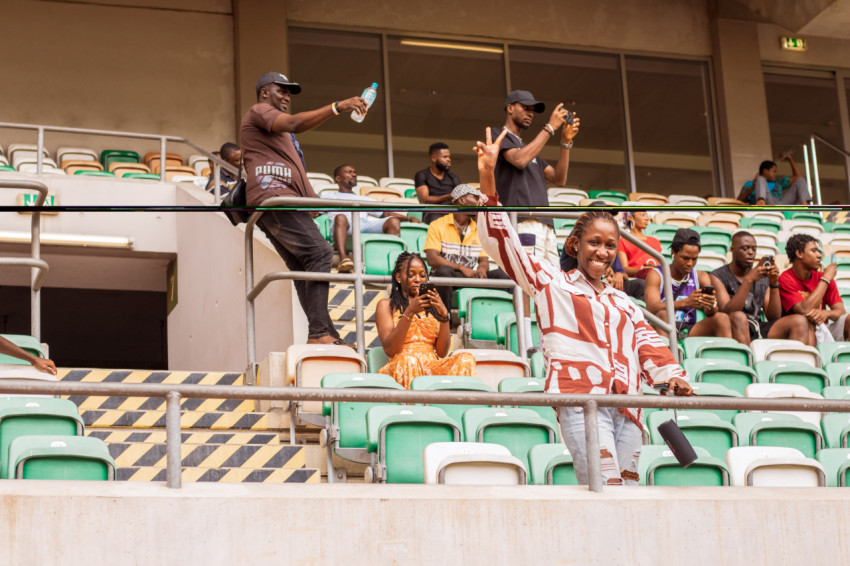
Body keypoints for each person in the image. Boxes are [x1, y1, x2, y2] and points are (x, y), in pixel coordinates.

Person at [475, 127, 691, 486]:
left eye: (610, 245)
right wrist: (487, 179)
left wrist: (674, 380)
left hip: (631, 412)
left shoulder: (622, 300)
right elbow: (504, 245)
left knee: (627, 494)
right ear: (575, 245)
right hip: (581, 404)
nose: (602, 252)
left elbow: (648, 344)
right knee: (605, 490)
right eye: (594, 242)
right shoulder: (551, 282)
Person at [241, 71, 367, 346]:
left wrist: (310, 200)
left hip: (285, 202)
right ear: (264, 92)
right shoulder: (260, 111)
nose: (286, 96)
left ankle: (326, 334)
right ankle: (319, 333)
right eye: (281, 90)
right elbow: (297, 122)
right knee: (321, 252)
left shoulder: (281, 134)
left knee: (304, 267)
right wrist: (337, 107)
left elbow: (294, 164)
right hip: (274, 200)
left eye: (289, 92)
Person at [492, 90, 580, 348]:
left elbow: (559, 178)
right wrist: (550, 128)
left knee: (551, 284)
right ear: (510, 108)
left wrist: (565, 142)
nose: (530, 113)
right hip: (522, 221)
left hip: (546, 225)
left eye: (534, 110)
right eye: (526, 107)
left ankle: (550, 342)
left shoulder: (534, 153)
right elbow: (518, 160)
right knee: (527, 281)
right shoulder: (501, 136)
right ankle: (527, 344)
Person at [375, 252, 476, 388]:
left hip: (431, 366)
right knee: (410, 362)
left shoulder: (433, 307)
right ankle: (413, 409)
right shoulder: (386, 305)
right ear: (398, 277)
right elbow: (390, 349)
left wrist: (444, 314)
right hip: (402, 364)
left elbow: (441, 352)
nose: (418, 279)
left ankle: (454, 407)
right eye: (411, 275)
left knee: (466, 358)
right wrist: (410, 311)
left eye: (422, 275)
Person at [710, 231, 809, 345]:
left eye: (754, 249)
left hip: (758, 326)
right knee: (739, 317)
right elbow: (726, 312)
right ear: (732, 250)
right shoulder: (718, 276)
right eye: (745, 248)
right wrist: (749, 280)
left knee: (799, 321)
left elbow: (774, 316)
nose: (751, 252)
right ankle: (747, 361)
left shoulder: (762, 278)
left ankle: (794, 362)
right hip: (735, 326)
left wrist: (773, 284)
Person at [423, 184, 510, 311]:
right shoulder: (437, 225)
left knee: (503, 276)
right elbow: (432, 259)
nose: (478, 202)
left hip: (469, 277)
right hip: (449, 277)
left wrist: (481, 269)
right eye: (475, 198)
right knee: (444, 272)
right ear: (462, 200)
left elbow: (483, 260)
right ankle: (444, 321)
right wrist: (461, 268)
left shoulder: (479, 228)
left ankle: (498, 322)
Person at [323, 163, 420, 273]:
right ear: (338, 178)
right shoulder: (329, 196)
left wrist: (408, 218)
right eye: (349, 172)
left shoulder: (363, 198)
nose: (354, 174)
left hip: (364, 226)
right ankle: (344, 260)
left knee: (393, 221)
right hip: (344, 227)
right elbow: (314, 212)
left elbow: (385, 213)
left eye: (354, 172)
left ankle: (392, 263)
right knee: (341, 216)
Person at [645, 228, 733, 339]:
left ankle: (724, 355)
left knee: (722, 318)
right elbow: (651, 308)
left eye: (694, 259)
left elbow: (710, 313)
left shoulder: (701, 276)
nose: (690, 264)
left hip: (688, 328)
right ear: (673, 253)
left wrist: (711, 304)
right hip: (660, 325)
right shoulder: (656, 274)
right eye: (685, 258)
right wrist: (685, 302)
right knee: (663, 314)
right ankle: (667, 355)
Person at [779, 234, 850, 345]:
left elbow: (841, 312)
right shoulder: (785, 279)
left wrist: (826, 313)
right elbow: (804, 310)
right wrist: (825, 279)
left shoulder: (823, 277)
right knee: (808, 323)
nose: (820, 255)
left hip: (823, 327)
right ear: (799, 253)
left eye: (819, 251)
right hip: (799, 331)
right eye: (814, 251)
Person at [737, 152, 811, 205]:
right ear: (765, 170)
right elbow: (739, 200)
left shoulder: (778, 182)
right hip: (767, 205)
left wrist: (789, 158)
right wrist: (752, 188)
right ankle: (761, 201)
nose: (776, 174)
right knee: (761, 179)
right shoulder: (750, 184)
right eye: (774, 171)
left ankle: (804, 205)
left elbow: (798, 177)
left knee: (801, 180)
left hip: (781, 205)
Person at [414, 142, 462, 224]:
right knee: (438, 220)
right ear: (433, 158)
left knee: (472, 217)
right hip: (432, 212)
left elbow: (461, 196)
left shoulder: (453, 177)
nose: (449, 159)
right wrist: (448, 196)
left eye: (449, 157)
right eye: (445, 157)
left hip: (452, 212)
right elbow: (424, 200)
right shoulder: (422, 175)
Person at [618, 211, 662, 279]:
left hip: (658, 275)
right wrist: (643, 269)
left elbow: (661, 263)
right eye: (643, 215)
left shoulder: (655, 241)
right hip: (639, 279)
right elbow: (624, 269)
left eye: (647, 216)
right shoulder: (623, 241)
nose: (647, 218)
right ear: (631, 218)